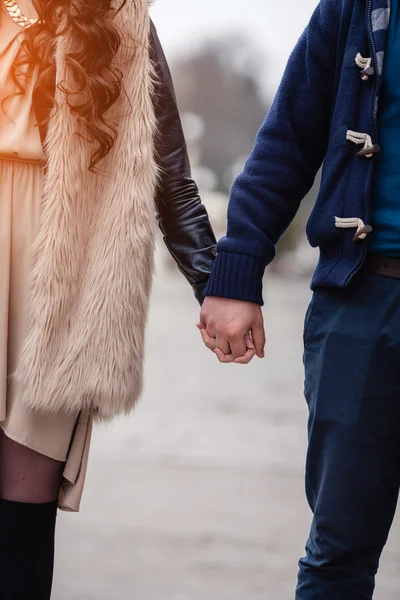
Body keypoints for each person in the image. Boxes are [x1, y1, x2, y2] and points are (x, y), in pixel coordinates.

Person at [0, 0, 216, 597]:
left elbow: (168, 171)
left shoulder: (116, 20)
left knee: (21, 518)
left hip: (57, 274)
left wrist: (219, 284)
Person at [198, 0, 400, 598]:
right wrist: (237, 271)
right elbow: (290, 134)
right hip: (362, 298)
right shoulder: (359, 6)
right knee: (339, 550)